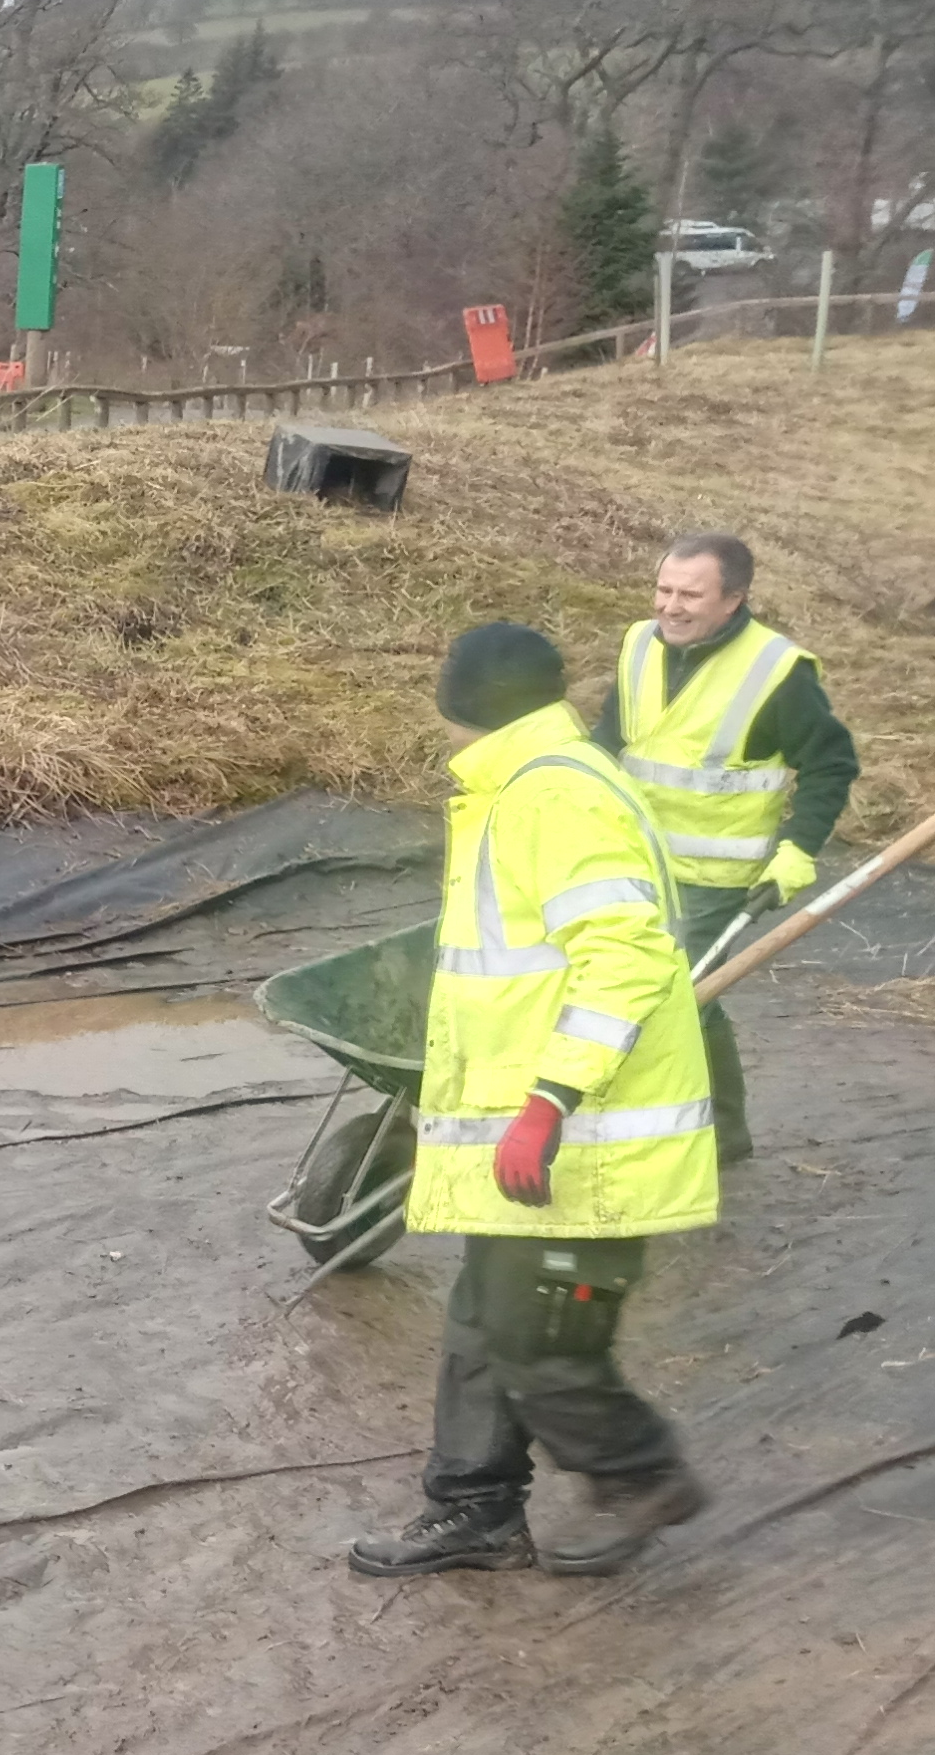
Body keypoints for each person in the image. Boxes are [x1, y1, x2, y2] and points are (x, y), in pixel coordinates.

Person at [351, 625, 716, 1581]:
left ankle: (640, 1476)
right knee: (484, 1324)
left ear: (470, 697)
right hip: (534, 1144)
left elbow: (625, 956)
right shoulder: (520, 783)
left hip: (584, 1147)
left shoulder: (555, 794)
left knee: (542, 1335)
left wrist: (549, 1101)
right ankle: (472, 1509)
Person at [587, 530, 859, 1165]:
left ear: (733, 599)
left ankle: (678, 1129)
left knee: (668, 994)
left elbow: (831, 764)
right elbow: (610, 737)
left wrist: (797, 850)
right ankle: (722, 1129)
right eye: (663, 589)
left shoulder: (777, 673)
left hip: (713, 877)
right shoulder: (636, 645)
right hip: (629, 857)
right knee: (681, 995)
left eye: (690, 595)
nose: (670, 607)